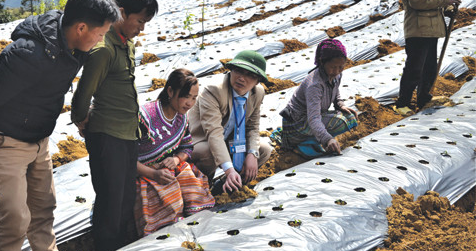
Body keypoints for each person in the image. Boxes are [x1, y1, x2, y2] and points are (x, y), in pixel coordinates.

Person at [0, 0, 121, 251]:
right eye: (100, 34)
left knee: (44, 204)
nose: (101, 41)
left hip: (39, 137)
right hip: (6, 139)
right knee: (15, 211)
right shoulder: (27, 55)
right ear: (80, 28)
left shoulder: (76, 47)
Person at [71, 0, 158, 251]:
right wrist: (81, 120)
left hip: (127, 134)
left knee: (123, 199)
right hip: (107, 135)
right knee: (110, 201)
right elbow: (82, 94)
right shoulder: (104, 48)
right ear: (122, 12)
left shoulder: (126, 43)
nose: (141, 29)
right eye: (140, 21)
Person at [135, 69, 215, 236]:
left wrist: (177, 159)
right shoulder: (144, 118)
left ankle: (195, 222)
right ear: (170, 91)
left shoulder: (181, 117)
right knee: (167, 199)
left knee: (192, 185)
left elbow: (187, 146)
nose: (190, 103)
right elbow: (124, 159)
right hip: (144, 174)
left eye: (194, 98)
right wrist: (153, 173)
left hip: (169, 168)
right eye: (186, 96)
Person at [395, 0, 462, 114]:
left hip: (431, 29)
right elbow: (417, 0)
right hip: (418, 29)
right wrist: (444, 0)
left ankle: (424, 98)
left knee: (430, 67)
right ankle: (403, 104)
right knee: (415, 69)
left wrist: (447, 9)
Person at [189, 50, 273, 194]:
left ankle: (227, 185)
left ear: (258, 81)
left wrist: (252, 154)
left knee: (264, 150)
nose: (242, 78)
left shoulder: (258, 93)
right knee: (209, 153)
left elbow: (252, 127)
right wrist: (229, 169)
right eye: (238, 71)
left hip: (231, 140)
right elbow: (214, 133)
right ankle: (204, 185)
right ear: (231, 70)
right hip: (201, 142)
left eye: (250, 76)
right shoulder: (214, 90)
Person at [275, 39, 358, 158]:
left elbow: (335, 90)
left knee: (350, 117)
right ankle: (303, 142)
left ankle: (313, 139)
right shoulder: (315, 84)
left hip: (312, 117)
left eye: (341, 67)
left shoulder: (336, 75)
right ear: (322, 63)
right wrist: (328, 139)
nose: (337, 71)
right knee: (342, 121)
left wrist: (340, 104)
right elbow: (313, 118)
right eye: (333, 67)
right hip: (297, 123)